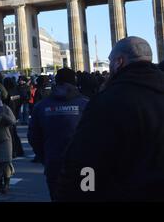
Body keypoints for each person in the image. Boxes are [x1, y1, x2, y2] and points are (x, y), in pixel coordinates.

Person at [57, 36, 164, 201]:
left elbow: (86, 161)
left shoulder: (106, 101)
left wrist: (83, 193)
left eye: (110, 60)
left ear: (119, 62)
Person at [28, 68, 89, 201]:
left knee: (57, 197)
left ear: (56, 81)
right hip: (85, 166)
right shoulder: (86, 104)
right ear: (75, 81)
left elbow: (33, 137)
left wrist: (44, 157)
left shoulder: (41, 106)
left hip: (54, 163)